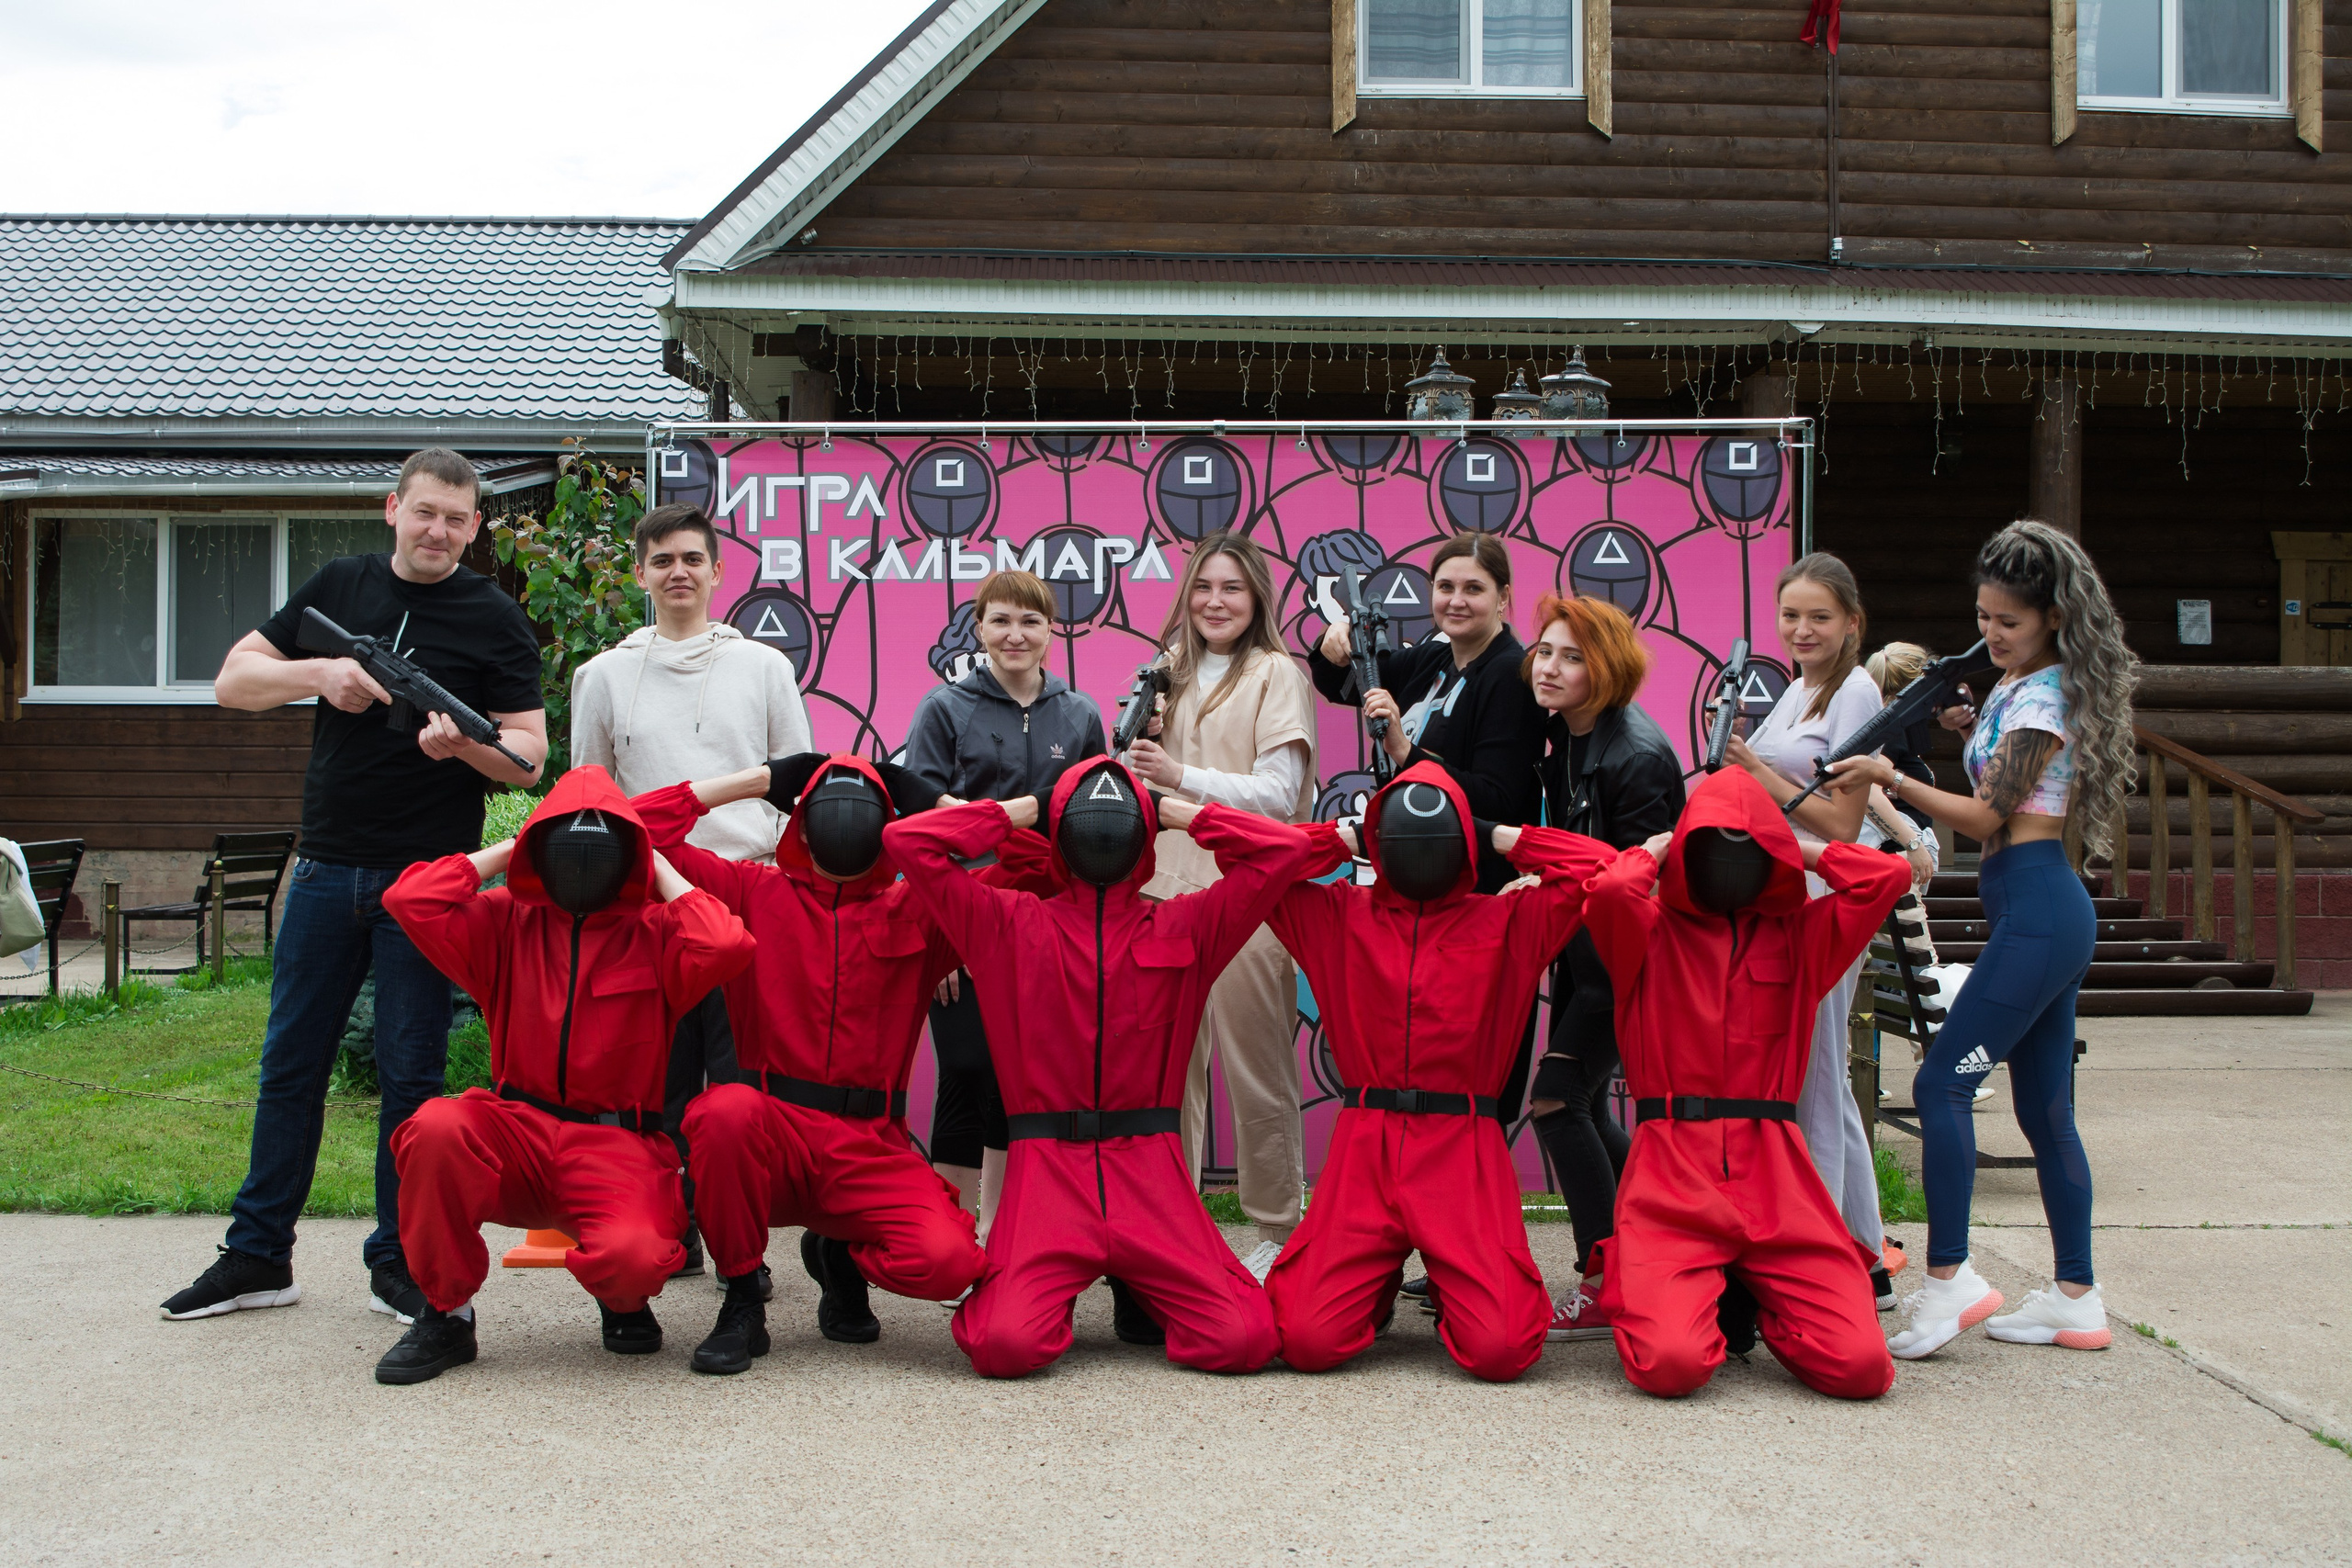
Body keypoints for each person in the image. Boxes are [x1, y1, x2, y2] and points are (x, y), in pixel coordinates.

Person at [164, 449, 546, 1325]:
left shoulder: (493, 617)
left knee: (410, 1077)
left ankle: (401, 1260)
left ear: (476, 525)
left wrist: (466, 751)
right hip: (328, 865)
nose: (439, 531)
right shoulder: (339, 586)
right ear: (393, 509)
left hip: (426, 881)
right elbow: (233, 679)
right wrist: (317, 674)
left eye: (457, 517)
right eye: (425, 513)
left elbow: (526, 758)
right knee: (289, 1066)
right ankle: (258, 1253)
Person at [882, 758, 1329, 1379]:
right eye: (1086, 813)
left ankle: (1143, 1285)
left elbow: (1282, 851)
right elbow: (908, 841)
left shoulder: (1186, 922)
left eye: (1121, 814)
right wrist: (1033, 807)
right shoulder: (1008, 920)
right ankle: (1056, 1290)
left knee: (1244, 1338)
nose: (1105, 821)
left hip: (1151, 1173)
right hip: (1045, 1175)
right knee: (1002, 1346)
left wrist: (1171, 809)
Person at [1829, 521, 2135, 1359]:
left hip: (2038, 906)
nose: (1989, 634)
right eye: (1983, 617)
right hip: (2036, 907)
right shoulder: (2022, 686)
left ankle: (1949, 1280)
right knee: (2045, 1111)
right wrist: (1970, 731)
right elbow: (2012, 784)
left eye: (2008, 621)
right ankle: (2077, 1297)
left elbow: (1985, 816)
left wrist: (1891, 776)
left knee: (1939, 1085)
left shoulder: (2041, 698)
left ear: (2052, 617)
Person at [369, 766, 756, 1383]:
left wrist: (651, 862)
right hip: (515, 1131)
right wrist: (515, 848)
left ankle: (622, 1299)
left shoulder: (655, 932)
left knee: (635, 1256)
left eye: (601, 848)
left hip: (616, 1143)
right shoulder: (503, 921)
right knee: (435, 1126)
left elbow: (727, 944)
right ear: (539, 851)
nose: (583, 860)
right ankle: (447, 1314)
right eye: (563, 845)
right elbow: (409, 899)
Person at [1245, 762, 1614, 1382]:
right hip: (1367, 1146)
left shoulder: (1507, 921)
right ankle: (1375, 1282)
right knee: (1303, 1337)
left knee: (1502, 1350)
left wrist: (1494, 831)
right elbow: (1248, 861)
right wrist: (1348, 835)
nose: (1421, 844)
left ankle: (1454, 1281)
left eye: (1438, 830)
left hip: (1462, 1149)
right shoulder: (1338, 914)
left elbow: (1607, 869)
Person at [631, 753, 998, 1374]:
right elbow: (635, 834)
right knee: (721, 1111)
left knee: (950, 1262)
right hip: (769, 1131)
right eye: (826, 798)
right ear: (799, 820)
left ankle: (841, 1258)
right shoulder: (750, 889)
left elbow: (1024, 863)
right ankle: (744, 1298)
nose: (844, 813)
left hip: (870, 1146)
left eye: (866, 804)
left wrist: (926, 800)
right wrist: (761, 779)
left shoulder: (918, 909)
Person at [1581, 768, 1910, 1400]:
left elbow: (1886, 877)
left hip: (1776, 1173)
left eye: (1746, 847)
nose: (1730, 861)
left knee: (1863, 1367)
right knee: (1670, 1365)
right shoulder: (1648, 933)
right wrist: (1661, 847)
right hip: (1671, 1172)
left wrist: (1795, 847)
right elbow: (1612, 891)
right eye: (1712, 847)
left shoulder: (1801, 936)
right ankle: (1674, 1288)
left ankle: (1763, 1305)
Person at [571, 501, 811, 1277]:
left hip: (746, 892)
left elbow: (795, 785)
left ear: (717, 571)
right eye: (662, 560)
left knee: (741, 1081)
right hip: (649, 903)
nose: (679, 572)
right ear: (640, 572)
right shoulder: (602, 674)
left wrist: (782, 883)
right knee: (659, 1083)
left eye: (692, 559)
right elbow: (591, 793)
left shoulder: (765, 667)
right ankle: (672, 1229)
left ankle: (741, 1240)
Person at [1122, 533, 1318, 1280]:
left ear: (1257, 597)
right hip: (1161, 891)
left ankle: (1273, 1229)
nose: (1215, 601)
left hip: (1249, 897)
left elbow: (1275, 795)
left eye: (1232, 588)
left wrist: (1179, 774)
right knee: (1168, 1074)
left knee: (1256, 1068)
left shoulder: (1277, 673)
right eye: (1204, 586)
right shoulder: (1160, 672)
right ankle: (1172, 1222)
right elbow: (1127, 777)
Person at [900, 570, 1106, 1256]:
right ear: (979, 628)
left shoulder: (1079, 715)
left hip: (1048, 925)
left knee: (1023, 1074)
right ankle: (951, 1232)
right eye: (1000, 621)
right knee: (967, 1064)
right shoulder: (944, 708)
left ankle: (1003, 1231)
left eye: (1031, 621)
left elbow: (1093, 829)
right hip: (962, 919)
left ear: (1053, 631)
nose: (1015, 634)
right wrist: (943, 939)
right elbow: (921, 823)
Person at [1722, 551, 1902, 1306]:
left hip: (1829, 894)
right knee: (1819, 1071)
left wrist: (1755, 773)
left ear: (1852, 624)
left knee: (1816, 1079)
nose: (1802, 629)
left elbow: (1839, 819)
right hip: (1790, 892)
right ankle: (1862, 1254)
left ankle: (1821, 1261)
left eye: (1819, 616)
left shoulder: (1856, 694)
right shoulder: (1798, 689)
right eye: (1791, 615)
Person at [1518, 593, 1686, 1345]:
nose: (1550, 668)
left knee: (1557, 1100)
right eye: (1546, 651)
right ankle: (1662, 1235)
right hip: (1580, 958)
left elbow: (1637, 883)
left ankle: (1600, 1276)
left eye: (1572, 656)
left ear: (1607, 667)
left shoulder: (1637, 753)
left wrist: (1553, 887)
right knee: (1583, 1105)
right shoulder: (1564, 733)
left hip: (1625, 962)